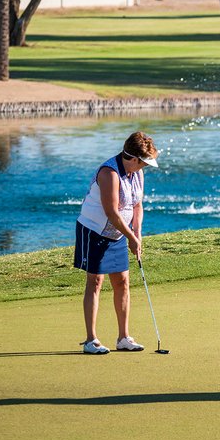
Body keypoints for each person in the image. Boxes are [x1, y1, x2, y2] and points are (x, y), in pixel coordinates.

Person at [74, 131, 159, 354]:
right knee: (95, 282)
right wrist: (131, 237)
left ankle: (123, 337)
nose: (145, 167)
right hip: (94, 231)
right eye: (144, 163)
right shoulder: (109, 173)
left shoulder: (137, 174)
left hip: (119, 233)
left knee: (122, 281)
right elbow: (111, 212)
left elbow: (137, 205)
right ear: (133, 159)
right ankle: (91, 340)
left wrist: (137, 233)